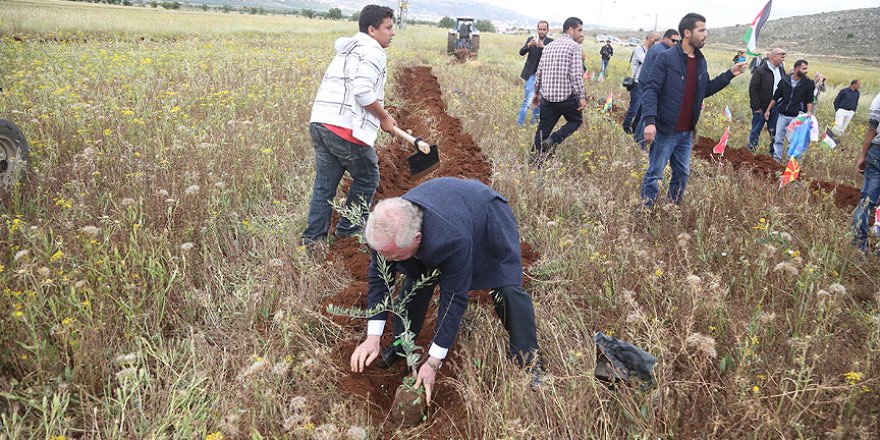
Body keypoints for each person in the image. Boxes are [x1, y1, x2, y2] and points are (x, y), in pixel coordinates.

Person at [350, 177, 543, 401]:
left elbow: (453, 300)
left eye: (392, 256)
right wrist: (373, 337)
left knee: (507, 289)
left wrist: (433, 361)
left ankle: (529, 362)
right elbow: (380, 278)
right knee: (416, 280)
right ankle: (403, 342)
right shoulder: (385, 230)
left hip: (487, 215)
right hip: (447, 211)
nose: (387, 261)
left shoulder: (451, 239)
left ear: (417, 238)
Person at [302, 5, 397, 247]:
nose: (392, 32)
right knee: (367, 177)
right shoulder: (374, 52)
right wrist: (384, 117)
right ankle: (349, 230)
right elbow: (363, 91)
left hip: (321, 123)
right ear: (372, 30)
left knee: (324, 186)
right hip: (344, 129)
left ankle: (313, 240)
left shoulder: (348, 49)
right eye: (388, 27)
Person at [639, 13, 747, 208]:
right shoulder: (666, 58)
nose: (706, 34)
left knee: (682, 174)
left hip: (686, 132)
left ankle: (672, 209)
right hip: (665, 130)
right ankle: (645, 212)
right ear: (687, 33)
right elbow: (651, 90)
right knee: (655, 173)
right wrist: (649, 121)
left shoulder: (700, 61)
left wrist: (730, 74)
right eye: (702, 30)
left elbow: (704, 90)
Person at [531, 17, 587, 164]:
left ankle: (534, 161)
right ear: (571, 29)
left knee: (542, 130)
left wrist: (536, 93)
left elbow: (539, 72)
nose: (581, 33)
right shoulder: (574, 47)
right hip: (566, 98)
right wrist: (581, 96)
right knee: (576, 120)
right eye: (579, 30)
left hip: (548, 98)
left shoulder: (549, 47)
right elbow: (575, 75)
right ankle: (554, 140)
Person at [632, 29, 680, 149]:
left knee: (644, 112)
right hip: (652, 85)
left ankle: (638, 139)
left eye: (677, 41)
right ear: (665, 38)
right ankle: (640, 142)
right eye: (673, 40)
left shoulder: (656, 47)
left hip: (645, 82)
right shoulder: (663, 52)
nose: (675, 43)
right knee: (648, 114)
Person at [765, 59, 815, 162]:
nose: (806, 71)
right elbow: (776, 96)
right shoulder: (785, 80)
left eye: (807, 68)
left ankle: (790, 161)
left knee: (792, 140)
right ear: (796, 69)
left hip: (797, 116)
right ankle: (776, 160)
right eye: (804, 68)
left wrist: (809, 112)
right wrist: (768, 110)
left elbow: (809, 100)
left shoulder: (808, 83)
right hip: (782, 115)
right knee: (778, 139)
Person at [852, 92, 880, 252]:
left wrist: (863, 156)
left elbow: (872, 128)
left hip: (877, 151)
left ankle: (857, 246)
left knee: (867, 200)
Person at [748, 48, 786, 154]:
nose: (783, 58)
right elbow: (753, 89)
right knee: (756, 130)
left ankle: (772, 154)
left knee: (774, 132)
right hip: (761, 107)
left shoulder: (781, 70)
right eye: (781, 56)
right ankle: (751, 152)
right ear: (773, 56)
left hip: (776, 107)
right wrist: (757, 107)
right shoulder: (760, 70)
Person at [622, 31, 659, 134]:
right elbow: (647, 61)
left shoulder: (651, 51)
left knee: (642, 110)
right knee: (634, 108)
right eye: (655, 39)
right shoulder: (639, 49)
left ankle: (634, 129)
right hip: (637, 84)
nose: (656, 42)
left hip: (646, 85)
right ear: (649, 38)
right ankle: (625, 127)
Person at [517, 21, 553, 127]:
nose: (542, 31)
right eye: (540, 29)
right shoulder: (531, 39)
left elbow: (554, 57)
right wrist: (528, 46)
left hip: (544, 77)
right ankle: (519, 124)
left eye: (544, 29)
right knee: (528, 100)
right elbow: (521, 52)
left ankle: (534, 124)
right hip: (531, 75)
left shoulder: (551, 42)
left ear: (547, 30)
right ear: (537, 29)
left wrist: (544, 47)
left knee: (539, 103)